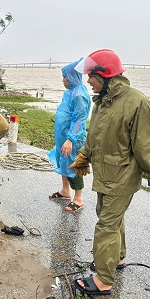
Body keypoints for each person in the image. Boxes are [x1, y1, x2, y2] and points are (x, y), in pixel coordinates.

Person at [67, 49, 150, 297]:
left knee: (106, 225)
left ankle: (103, 280)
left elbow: (147, 146)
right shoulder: (102, 102)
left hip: (123, 176)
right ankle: (117, 257)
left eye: (91, 76)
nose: (88, 81)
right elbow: (95, 135)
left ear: (105, 76)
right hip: (105, 174)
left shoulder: (137, 103)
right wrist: (84, 155)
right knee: (111, 217)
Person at [47, 59, 92, 213]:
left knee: (74, 165)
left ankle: (78, 198)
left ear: (72, 77)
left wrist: (70, 139)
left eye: (65, 77)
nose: (63, 80)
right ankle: (65, 190)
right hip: (63, 136)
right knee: (63, 161)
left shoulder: (79, 94)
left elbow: (79, 119)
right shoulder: (69, 92)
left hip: (72, 139)